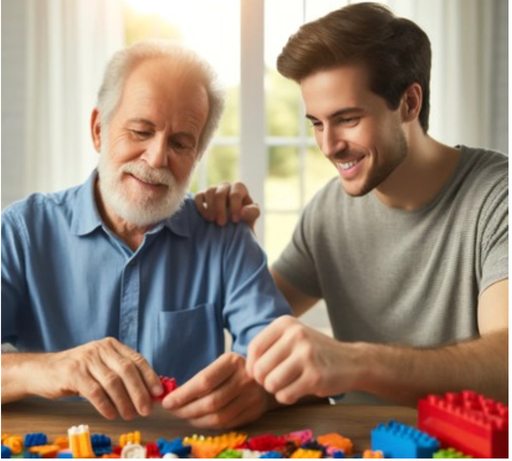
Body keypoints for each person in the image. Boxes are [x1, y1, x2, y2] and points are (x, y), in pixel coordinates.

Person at [195, 3, 508, 406]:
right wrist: (230, 240)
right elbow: (250, 313)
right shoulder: (328, 212)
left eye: (347, 118)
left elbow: (506, 364)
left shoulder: (498, 197)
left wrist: (354, 362)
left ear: (410, 103)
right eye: (316, 123)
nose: (328, 146)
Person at [1, 40, 292, 429]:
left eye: (179, 143)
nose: (156, 159)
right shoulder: (23, 232)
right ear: (98, 130)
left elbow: (287, 367)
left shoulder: (225, 237)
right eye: (141, 131)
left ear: (196, 157)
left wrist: (265, 391)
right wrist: (50, 368)